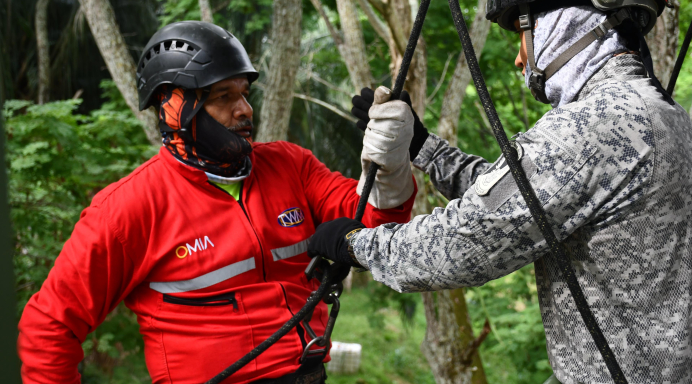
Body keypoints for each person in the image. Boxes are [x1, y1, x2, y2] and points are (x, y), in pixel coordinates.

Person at [307, 0, 692, 383]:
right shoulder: (658, 112)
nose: (519, 57)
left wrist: (357, 244)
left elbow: (465, 242)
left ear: (563, 22)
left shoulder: (594, 125)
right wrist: (423, 147)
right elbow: (521, 196)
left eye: (524, 34)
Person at [17, 21, 417, 384]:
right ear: (174, 107)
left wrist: (391, 168)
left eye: (244, 93)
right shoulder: (129, 208)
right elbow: (49, 326)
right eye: (223, 96)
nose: (245, 110)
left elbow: (373, 224)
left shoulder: (289, 165)